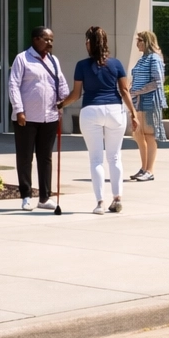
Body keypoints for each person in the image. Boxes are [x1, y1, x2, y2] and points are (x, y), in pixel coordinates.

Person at [59, 26, 138, 215]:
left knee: (96, 159)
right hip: (115, 111)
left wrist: (60, 105)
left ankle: (100, 203)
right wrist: (133, 114)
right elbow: (124, 91)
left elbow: (76, 94)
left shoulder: (82, 65)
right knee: (115, 156)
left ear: (89, 43)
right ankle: (117, 198)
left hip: (91, 111)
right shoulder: (117, 64)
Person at [6, 27, 69, 212]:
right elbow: (13, 85)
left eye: (51, 40)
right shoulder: (22, 58)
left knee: (45, 157)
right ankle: (26, 196)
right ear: (35, 39)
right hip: (26, 117)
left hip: (49, 117)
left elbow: (61, 83)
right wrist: (19, 110)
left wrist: (63, 101)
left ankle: (44, 197)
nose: (50, 43)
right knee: (25, 157)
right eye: (46, 39)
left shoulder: (54, 61)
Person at [128, 29, 167, 182]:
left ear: (147, 42)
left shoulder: (154, 58)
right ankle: (143, 168)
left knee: (149, 135)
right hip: (139, 101)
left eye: (140, 40)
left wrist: (138, 91)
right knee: (138, 134)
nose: (137, 43)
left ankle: (149, 170)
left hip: (150, 101)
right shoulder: (142, 59)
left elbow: (158, 81)